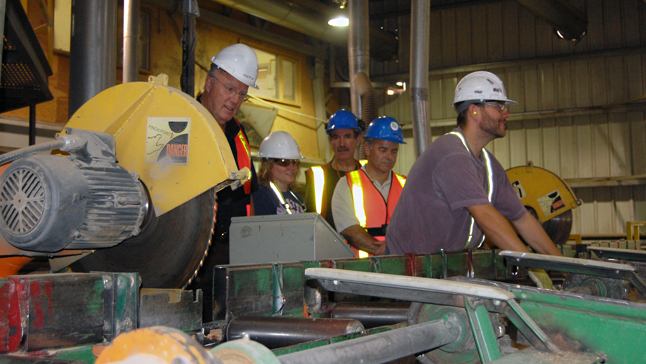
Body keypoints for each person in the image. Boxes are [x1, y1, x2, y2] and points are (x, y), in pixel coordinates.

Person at [386, 71, 561, 285]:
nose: (505, 114)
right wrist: (532, 265)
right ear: (474, 111)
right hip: (407, 274)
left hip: (444, 270)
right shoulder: (451, 154)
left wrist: (562, 267)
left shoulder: (488, 164)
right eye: (498, 106)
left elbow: (522, 218)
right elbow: (486, 217)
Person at [189, 43, 260, 321]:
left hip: (235, 252)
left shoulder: (237, 131)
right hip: (196, 255)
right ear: (209, 83)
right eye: (229, 89)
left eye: (242, 94)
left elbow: (248, 195)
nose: (234, 100)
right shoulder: (182, 123)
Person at [331, 116, 407, 257]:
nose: (389, 157)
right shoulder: (347, 185)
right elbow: (350, 230)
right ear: (368, 148)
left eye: (394, 151)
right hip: (361, 271)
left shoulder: (406, 185)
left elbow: (416, 227)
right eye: (383, 150)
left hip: (400, 271)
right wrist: (387, 250)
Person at [304, 110, 363, 230]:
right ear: (330, 141)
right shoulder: (317, 176)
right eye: (336, 137)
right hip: (328, 246)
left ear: (358, 140)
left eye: (347, 136)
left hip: (363, 246)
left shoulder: (368, 174)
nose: (342, 143)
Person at [253, 131, 306, 215]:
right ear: (268, 164)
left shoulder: (297, 198)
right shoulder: (260, 195)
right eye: (284, 162)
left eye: (295, 162)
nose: (292, 167)